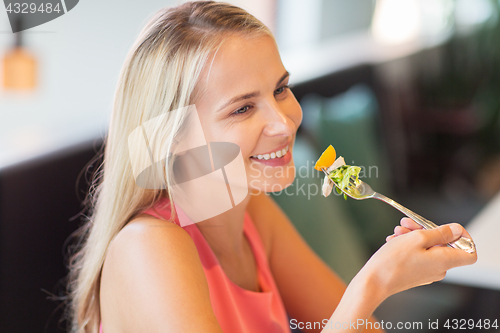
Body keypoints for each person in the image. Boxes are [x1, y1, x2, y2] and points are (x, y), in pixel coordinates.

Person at [65, 2, 477, 332]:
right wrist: (374, 284)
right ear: (173, 140)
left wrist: (389, 275)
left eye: (280, 89)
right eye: (243, 108)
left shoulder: (252, 211)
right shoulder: (148, 247)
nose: (285, 122)